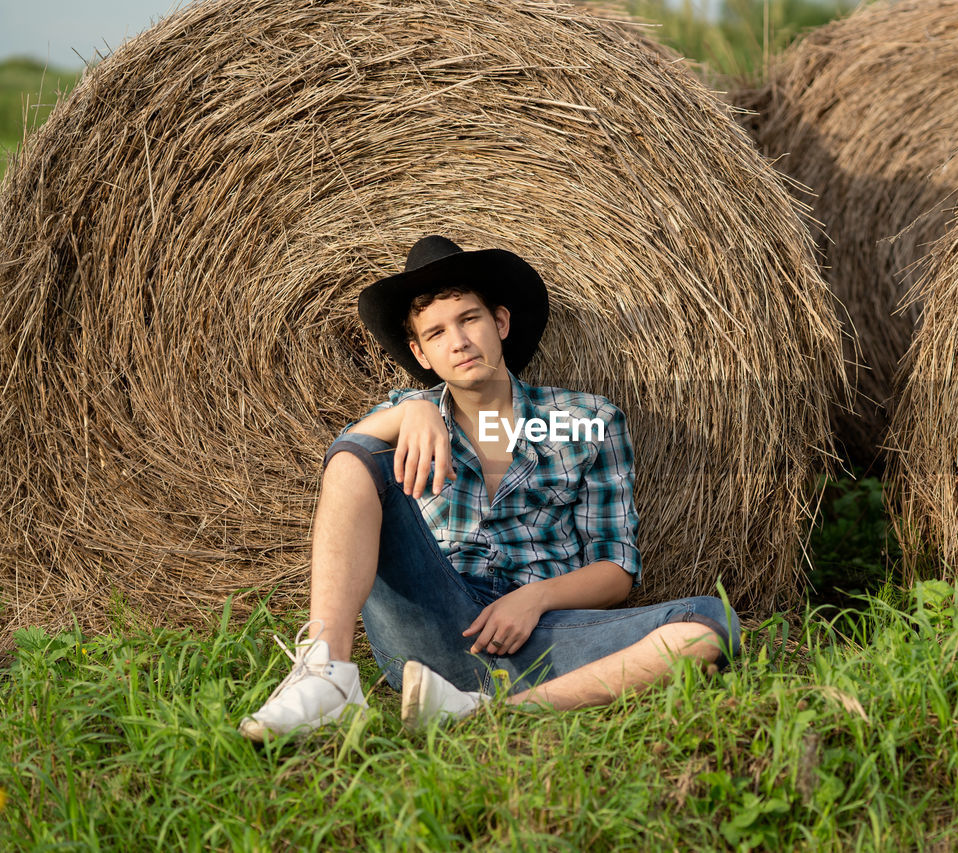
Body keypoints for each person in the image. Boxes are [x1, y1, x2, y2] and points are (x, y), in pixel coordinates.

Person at [239, 235, 740, 740]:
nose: (458, 341)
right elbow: (344, 461)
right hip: (431, 631)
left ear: (499, 322)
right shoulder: (400, 419)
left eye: (469, 319)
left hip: (541, 632)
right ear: (421, 353)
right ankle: (325, 674)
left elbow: (617, 567)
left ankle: (484, 713)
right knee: (356, 457)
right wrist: (412, 408)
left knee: (707, 623)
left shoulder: (588, 420)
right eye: (436, 333)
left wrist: (536, 599)